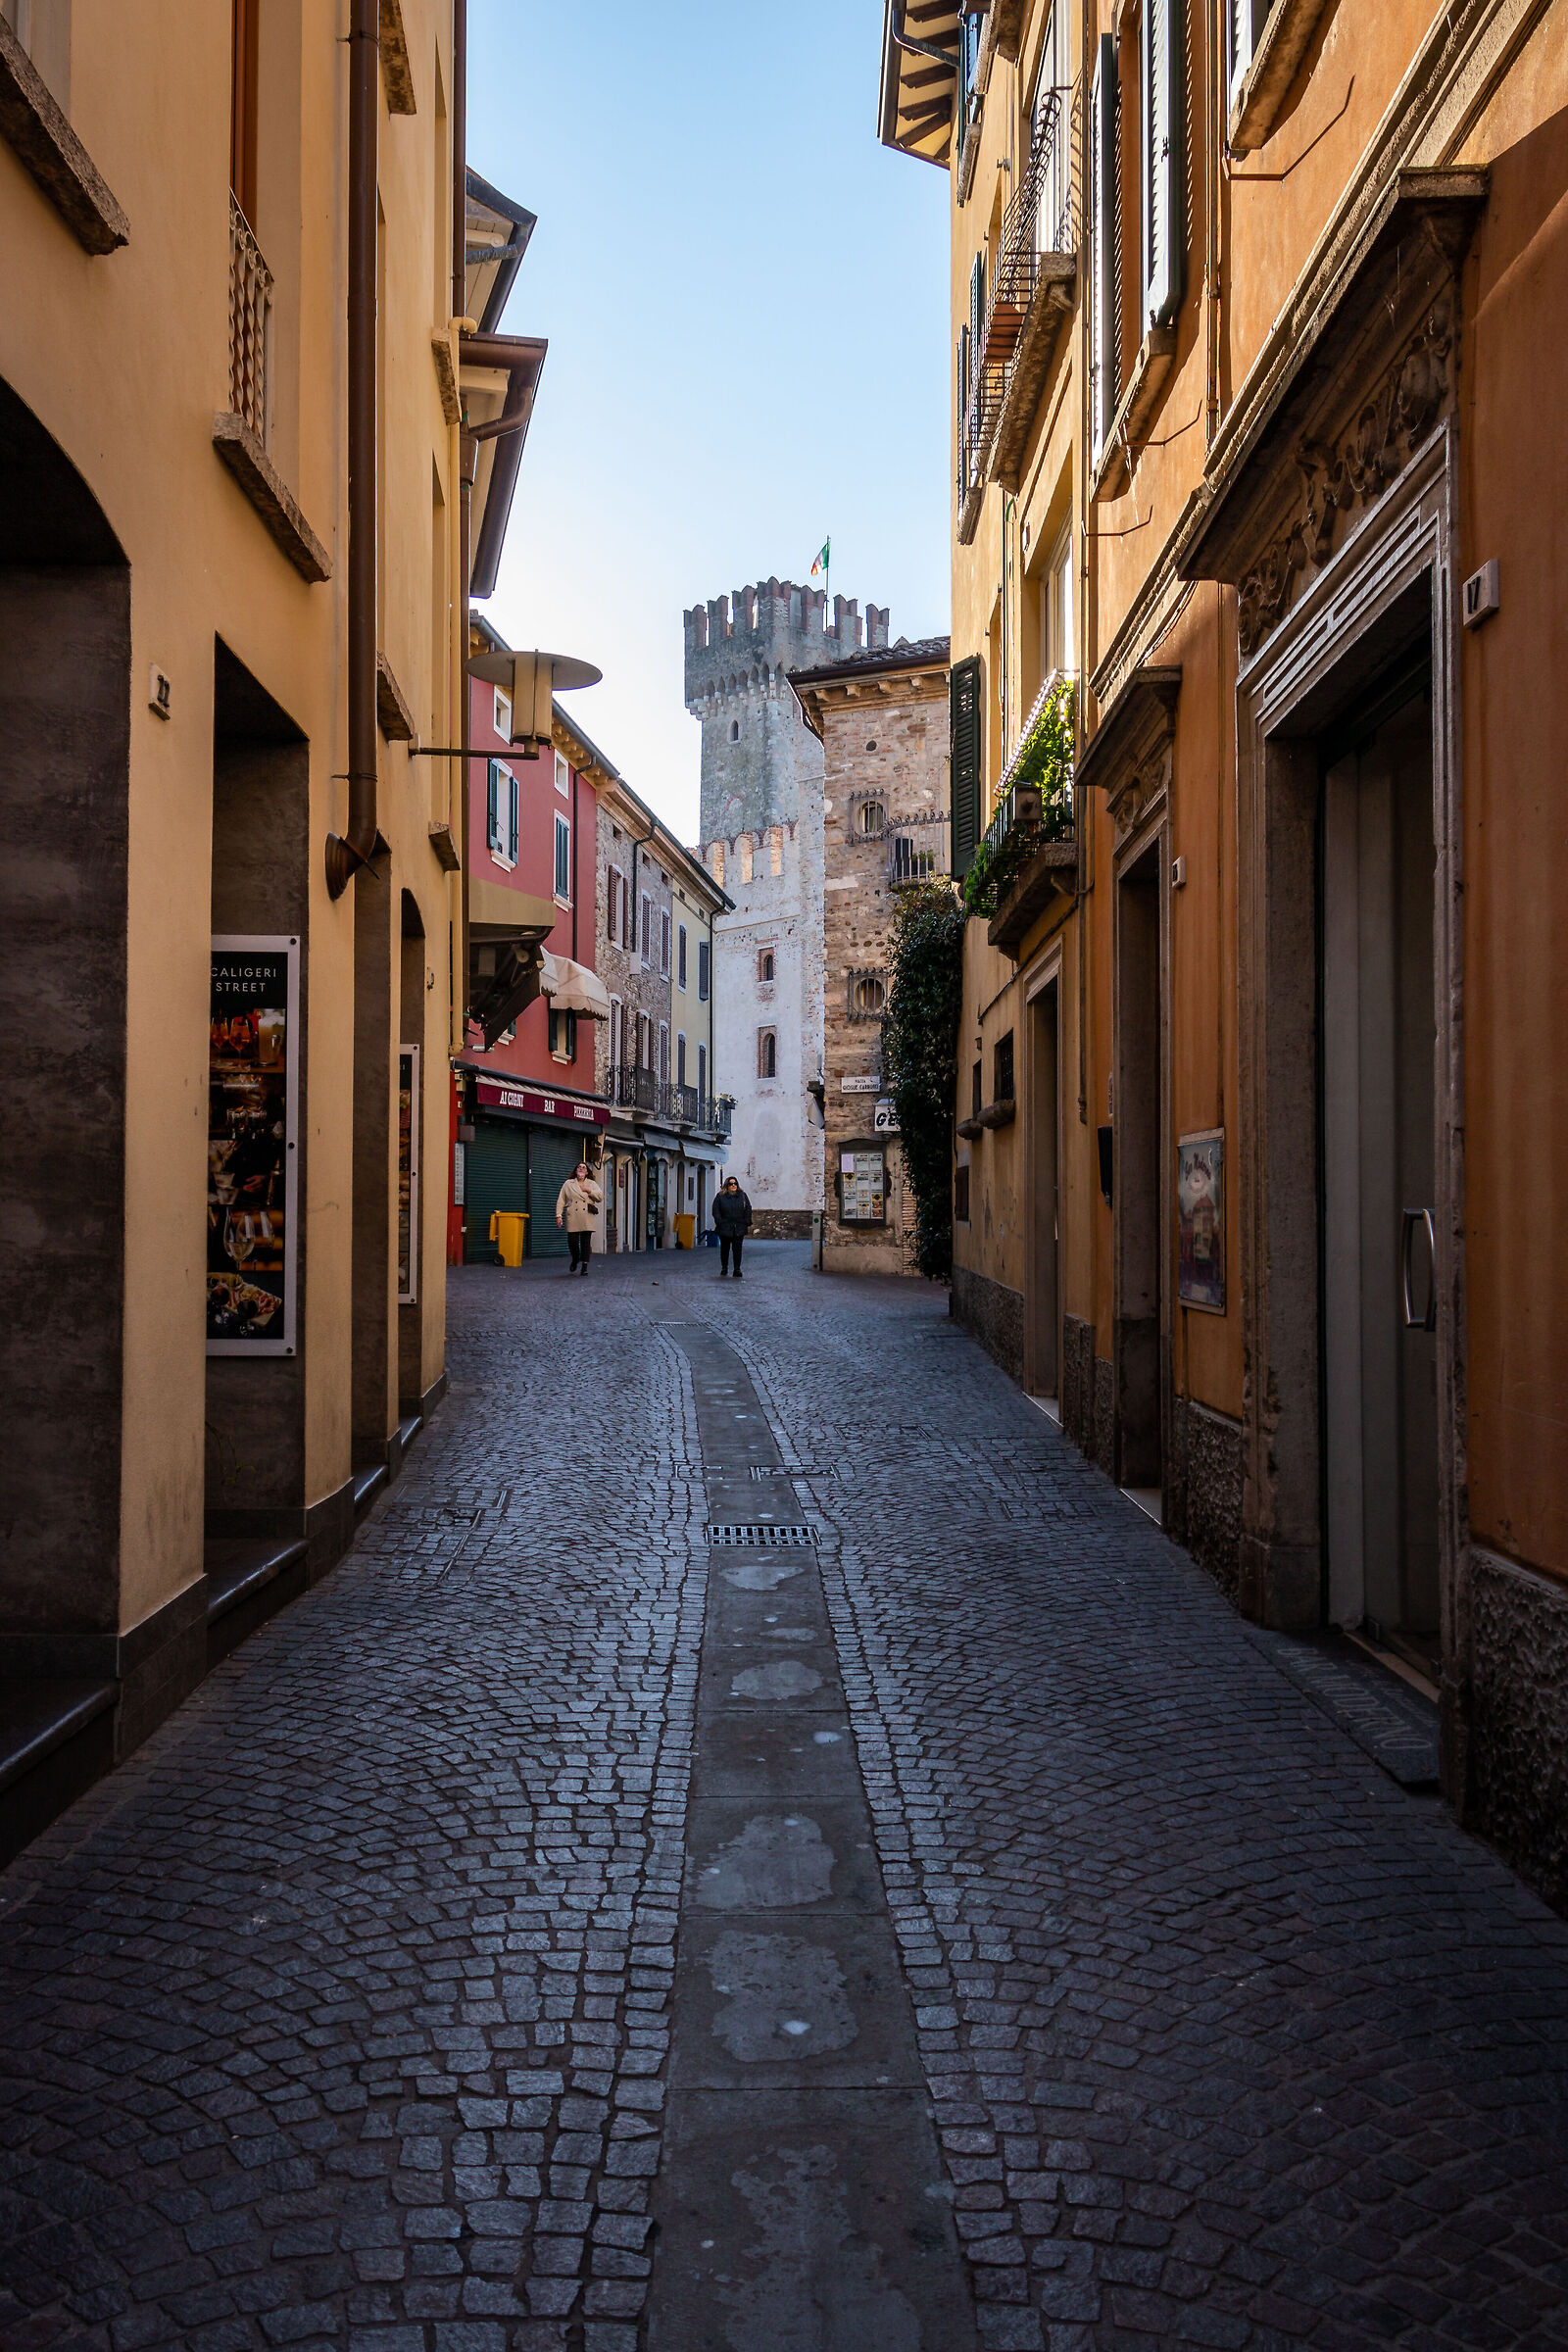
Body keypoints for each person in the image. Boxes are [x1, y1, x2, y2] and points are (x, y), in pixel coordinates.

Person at [556, 1160, 604, 1274]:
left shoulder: (591, 1183)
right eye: (579, 1167)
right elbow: (561, 1199)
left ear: (587, 1172)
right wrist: (558, 1215)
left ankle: (584, 1267)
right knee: (572, 1241)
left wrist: (589, 1191)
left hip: (586, 1215)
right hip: (573, 1215)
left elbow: (600, 1197)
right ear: (576, 1171)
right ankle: (575, 1258)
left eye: (583, 1167)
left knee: (585, 1243)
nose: (581, 1169)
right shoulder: (568, 1183)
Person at [712, 1175, 752, 1277]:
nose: (733, 1185)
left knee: (737, 1249)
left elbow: (748, 1208)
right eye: (731, 1184)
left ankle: (737, 1269)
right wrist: (719, 1222)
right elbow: (716, 1210)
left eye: (735, 1183)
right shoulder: (720, 1196)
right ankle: (724, 1268)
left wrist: (746, 1221)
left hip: (739, 1227)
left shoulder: (742, 1196)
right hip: (725, 1227)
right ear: (727, 1185)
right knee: (724, 1249)